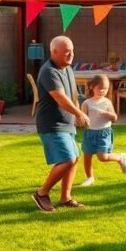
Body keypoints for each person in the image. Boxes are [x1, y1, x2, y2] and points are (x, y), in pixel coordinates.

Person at [31, 36, 89, 212]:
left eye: (72, 50)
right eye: (67, 51)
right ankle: (41, 193)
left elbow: (73, 95)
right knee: (67, 159)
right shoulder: (49, 71)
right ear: (54, 51)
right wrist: (78, 113)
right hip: (52, 124)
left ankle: (65, 198)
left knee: (75, 158)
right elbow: (60, 98)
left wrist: (77, 114)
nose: (71, 54)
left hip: (66, 123)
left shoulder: (68, 69)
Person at [79, 74, 126, 187]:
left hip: (103, 133)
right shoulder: (87, 103)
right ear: (92, 87)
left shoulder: (107, 102)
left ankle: (120, 157)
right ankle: (89, 177)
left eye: (105, 89)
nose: (102, 91)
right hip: (90, 133)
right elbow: (82, 118)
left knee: (103, 157)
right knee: (87, 156)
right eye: (100, 88)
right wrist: (81, 121)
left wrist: (106, 114)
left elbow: (115, 117)